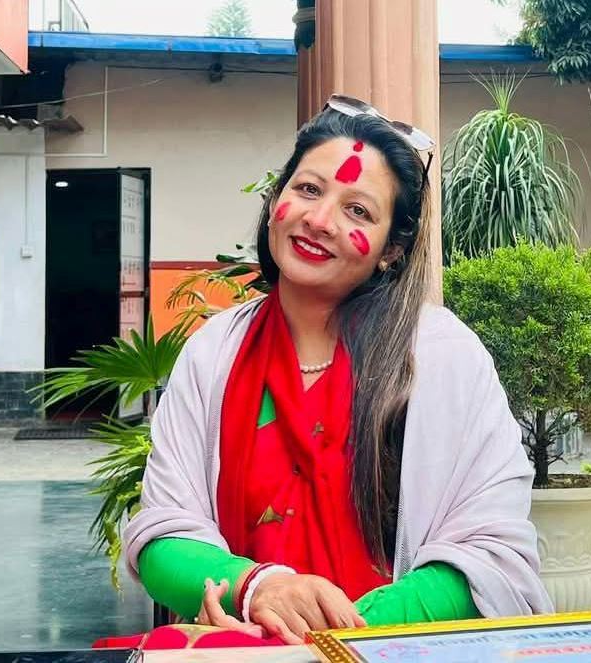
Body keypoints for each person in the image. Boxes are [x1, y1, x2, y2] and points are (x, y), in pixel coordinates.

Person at [123, 95, 553, 645]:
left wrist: (353, 633)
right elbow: (161, 535)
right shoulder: (214, 353)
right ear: (276, 200)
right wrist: (258, 588)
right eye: (308, 189)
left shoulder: (446, 358)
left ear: (391, 249)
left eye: (358, 211)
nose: (319, 220)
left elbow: (493, 555)